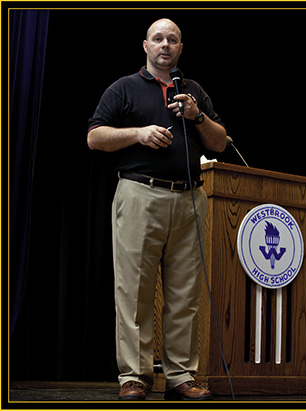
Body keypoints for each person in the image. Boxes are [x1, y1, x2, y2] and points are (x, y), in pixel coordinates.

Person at [87, 18, 227, 401]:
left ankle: (181, 377)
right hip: (139, 195)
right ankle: (135, 376)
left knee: (185, 294)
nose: (166, 45)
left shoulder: (193, 91)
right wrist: (138, 133)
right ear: (145, 46)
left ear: (180, 48)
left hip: (190, 199)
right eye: (158, 39)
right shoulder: (124, 88)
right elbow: (95, 137)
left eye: (173, 39)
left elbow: (219, 143)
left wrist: (198, 115)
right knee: (134, 292)